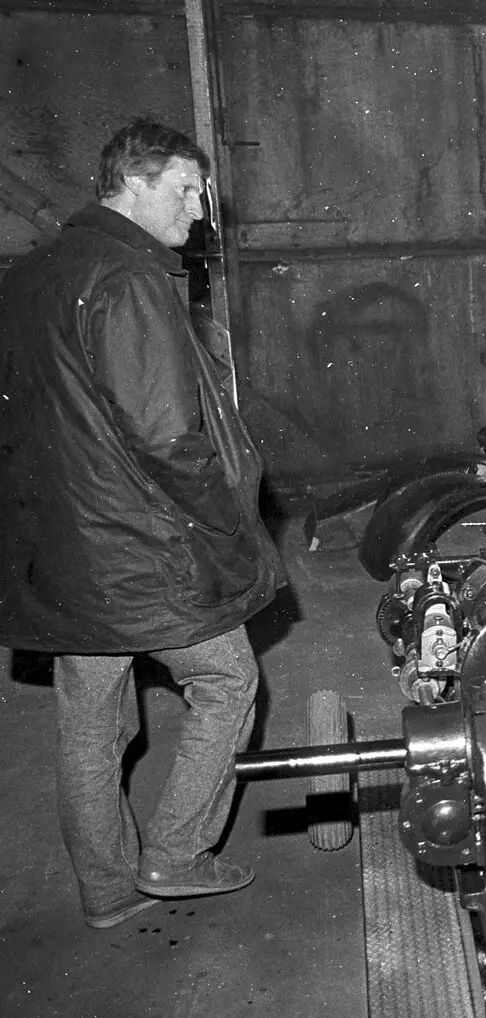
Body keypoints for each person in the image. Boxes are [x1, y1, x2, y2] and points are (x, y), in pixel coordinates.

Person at [0, 120, 284, 930]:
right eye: (188, 191)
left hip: (56, 553)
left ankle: (107, 889)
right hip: (135, 549)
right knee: (228, 681)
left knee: (89, 718)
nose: (200, 214)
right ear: (134, 180)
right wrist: (225, 529)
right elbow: (167, 437)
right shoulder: (127, 280)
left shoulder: (27, 277)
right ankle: (178, 853)